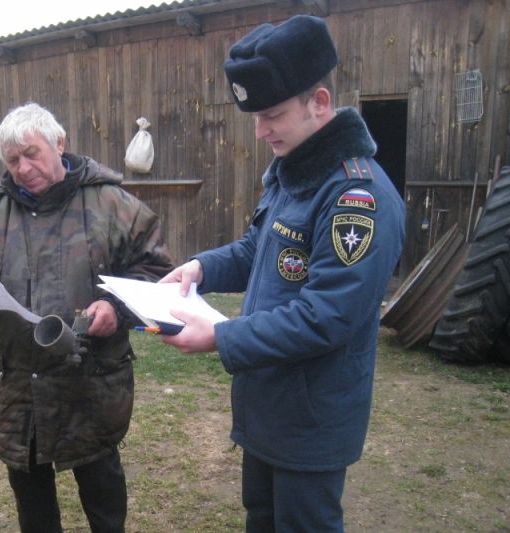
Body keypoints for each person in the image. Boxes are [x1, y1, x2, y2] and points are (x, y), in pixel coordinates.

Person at [159, 15, 406, 532]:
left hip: (311, 420)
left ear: (319, 103)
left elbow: (326, 315)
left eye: (272, 114)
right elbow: (260, 249)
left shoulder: (354, 197)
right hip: (269, 405)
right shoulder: (293, 168)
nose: (259, 130)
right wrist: (202, 266)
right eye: (254, 116)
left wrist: (220, 336)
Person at [0, 102, 173, 533]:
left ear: (59, 144)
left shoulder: (114, 204)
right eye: (12, 160)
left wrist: (116, 310)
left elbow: (156, 274)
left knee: (103, 493)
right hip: (18, 390)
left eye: (32, 153)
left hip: (91, 383)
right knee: (32, 504)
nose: (23, 168)